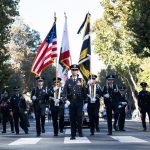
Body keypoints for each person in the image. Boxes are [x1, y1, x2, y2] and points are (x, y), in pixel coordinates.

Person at [63, 64, 86, 140]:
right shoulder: (68, 81)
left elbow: (84, 92)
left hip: (79, 101)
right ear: (71, 71)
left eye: (76, 70)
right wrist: (65, 100)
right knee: (72, 118)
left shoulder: (81, 81)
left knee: (79, 117)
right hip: (71, 101)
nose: (74, 71)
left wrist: (85, 101)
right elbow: (64, 92)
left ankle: (80, 131)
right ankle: (73, 135)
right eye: (73, 70)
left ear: (77, 71)